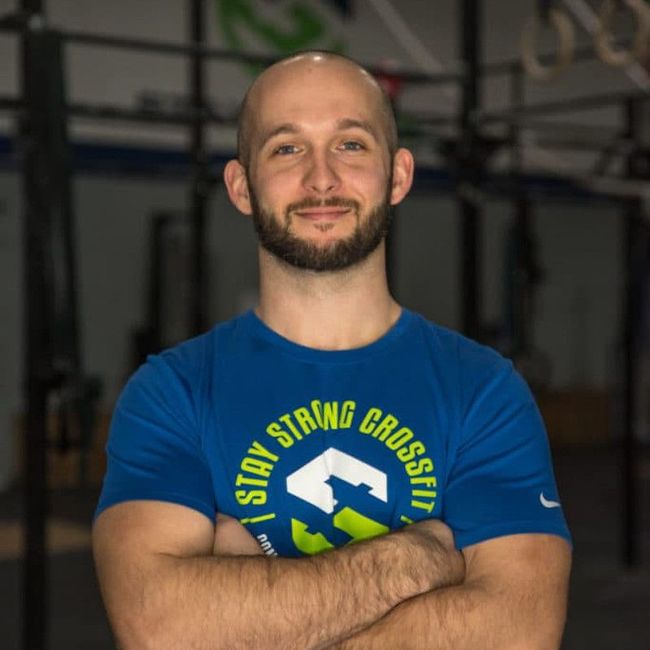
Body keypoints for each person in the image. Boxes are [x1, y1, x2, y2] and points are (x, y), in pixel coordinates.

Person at [93, 51, 571, 650]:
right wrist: (417, 560)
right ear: (241, 186)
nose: (322, 179)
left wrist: (244, 594)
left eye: (350, 145)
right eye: (287, 148)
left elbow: (518, 633)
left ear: (397, 176)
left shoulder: (483, 390)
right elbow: (160, 629)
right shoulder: (171, 392)